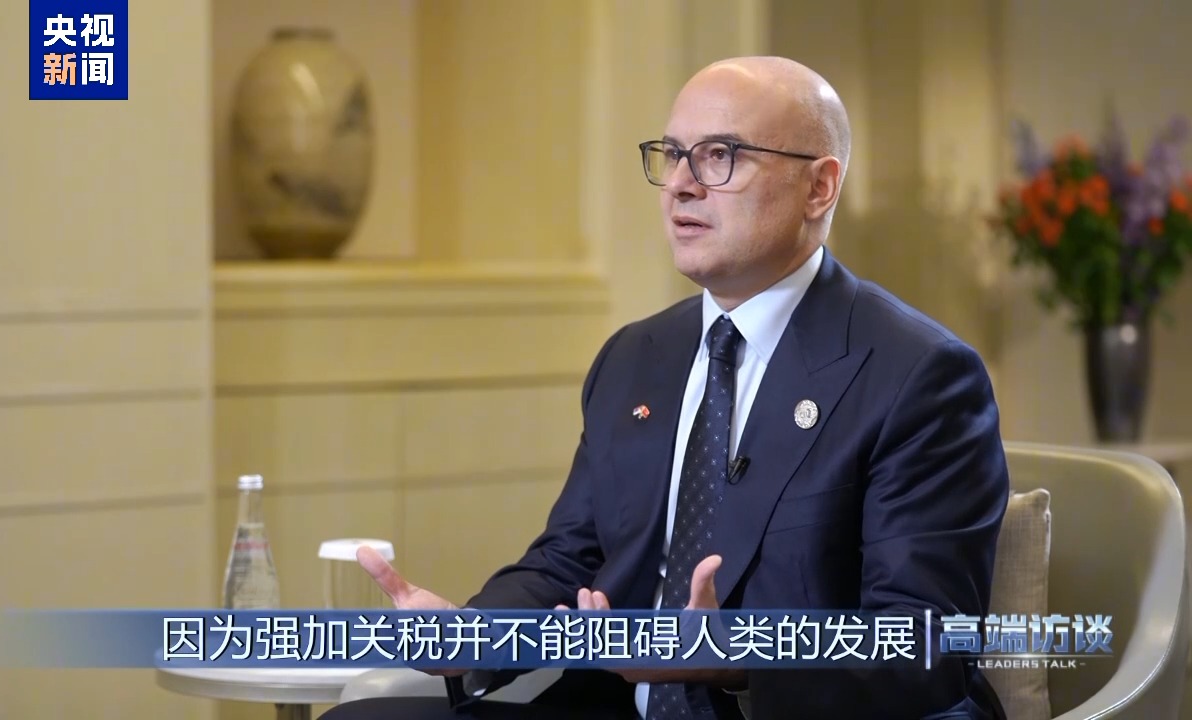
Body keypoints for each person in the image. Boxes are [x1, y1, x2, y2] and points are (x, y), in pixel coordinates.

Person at [320, 55, 1009, 720]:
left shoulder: (918, 374)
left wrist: (730, 657)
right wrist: (472, 633)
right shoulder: (636, 357)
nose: (680, 184)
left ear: (819, 187)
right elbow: (570, 560)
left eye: (720, 156)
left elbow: (925, 644)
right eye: (673, 155)